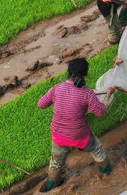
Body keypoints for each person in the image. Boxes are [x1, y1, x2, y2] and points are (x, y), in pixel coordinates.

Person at [37, 58, 114, 191]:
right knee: (97, 150)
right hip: (81, 136)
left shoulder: (57, 88)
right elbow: (100, 112)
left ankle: (50, 186)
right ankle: (108, 172)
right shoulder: (87, 93)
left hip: (58, 136)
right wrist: (108, 95)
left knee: (56, 163)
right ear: (86, 74)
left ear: (69, 72)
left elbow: (41, 104)